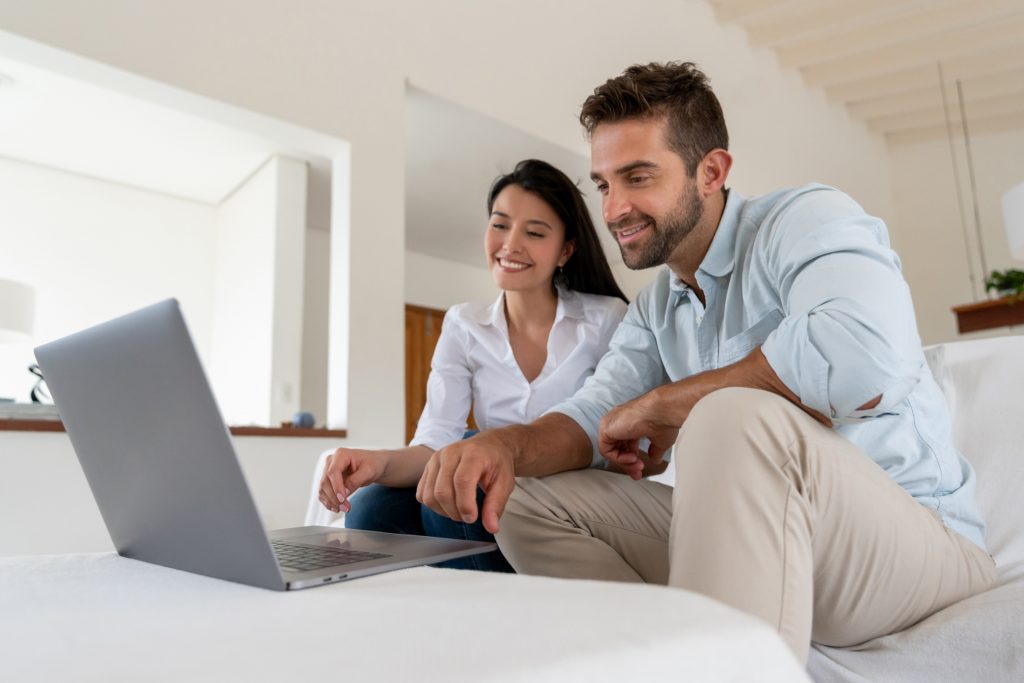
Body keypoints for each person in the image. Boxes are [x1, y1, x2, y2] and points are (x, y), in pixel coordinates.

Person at [413, 62, 998, 660]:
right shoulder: (656, 308)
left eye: (637, 177)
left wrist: (670, 403)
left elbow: (863, 355)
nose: (614, 209)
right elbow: (596, 415)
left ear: (711, 172)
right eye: (604, 185)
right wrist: (504, 447)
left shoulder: (802, 219)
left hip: (919, 545)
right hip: (772, 545)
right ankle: (659, 659)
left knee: (732, 415)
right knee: (527, 498)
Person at [317, 158, 628, 572]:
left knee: (456, 495)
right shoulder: (464, 324)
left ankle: (483, 623)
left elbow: (613, 439)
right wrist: (378, 463)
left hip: (566, 482)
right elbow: (435, 442)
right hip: (485, 473)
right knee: (372, 508)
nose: (511, 244)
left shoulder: (606, 318)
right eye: (500, 224)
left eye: (534, 233)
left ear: (566, 250)